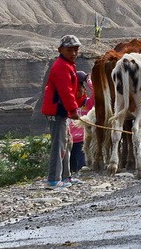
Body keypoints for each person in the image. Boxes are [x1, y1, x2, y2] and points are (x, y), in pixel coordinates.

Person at [41, 34, 87, 189]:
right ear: (60, 49)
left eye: (76, 49)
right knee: (59, 145)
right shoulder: (61, 66)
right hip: (57, 111)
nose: (73, 53)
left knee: (67, 143)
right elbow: (65, 92)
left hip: (61, 111)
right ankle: (53, 180)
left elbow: (71, 92)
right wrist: (73, 110)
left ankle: (66, 177)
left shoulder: (67, 65)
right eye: (70, 50)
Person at [68, 71, 94, 177]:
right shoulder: (69, 105)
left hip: (82, 142)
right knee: (71, 170)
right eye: (75, 90)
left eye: (80, 89)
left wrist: (88, 81)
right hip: (69, 142)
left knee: (82, 167)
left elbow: (97, 92)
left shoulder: (88, 103)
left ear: (84, 90)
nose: (78, 91)